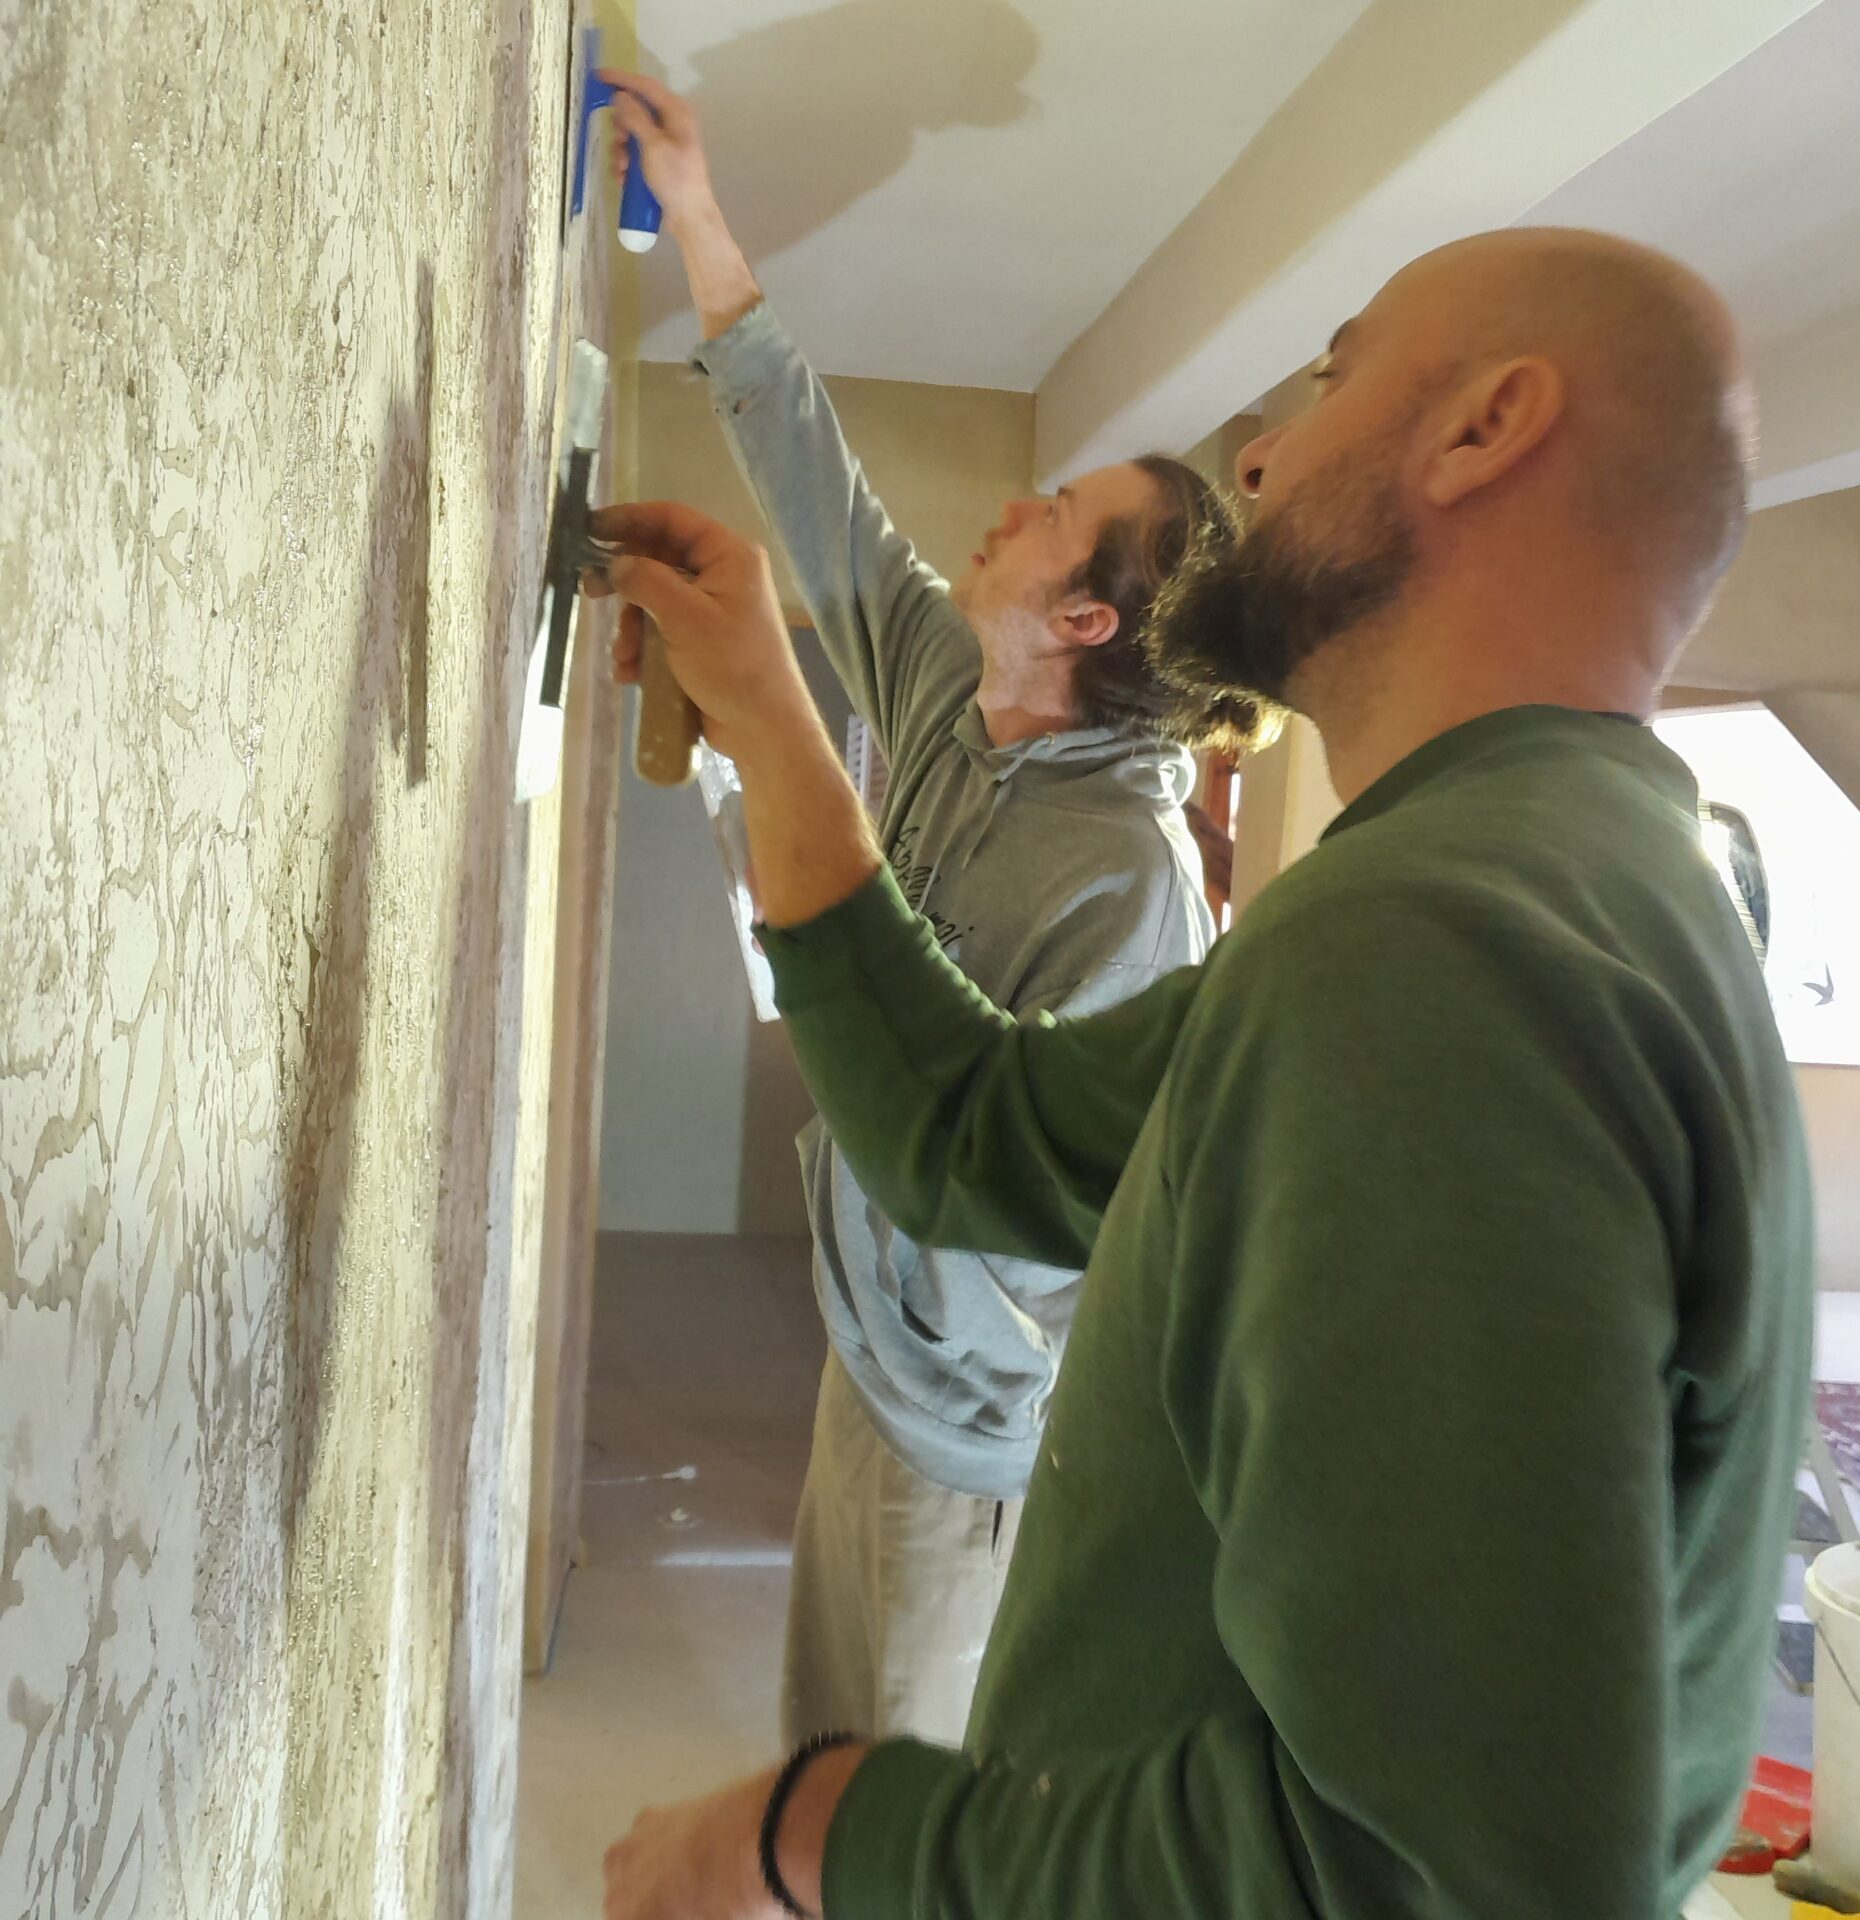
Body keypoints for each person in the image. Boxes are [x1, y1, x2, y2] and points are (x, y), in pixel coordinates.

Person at [594, 226, 1814, 1920]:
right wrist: (774, 714)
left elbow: (1417, 1875)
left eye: (1334, 377)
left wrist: (832, 1825)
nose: (1257, 455)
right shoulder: (1477, 889)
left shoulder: (1455, 953)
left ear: (1486, 429)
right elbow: (972, 1131)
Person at [601, 71, 1265, 1748]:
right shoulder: (956, 695)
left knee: (901, 1812)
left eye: (1057, 517)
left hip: (971, 1437)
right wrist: (695, 204)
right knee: (822, 1743)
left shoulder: (1128, 886)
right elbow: (817, 493)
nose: (1014, 508)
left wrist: (772, 774)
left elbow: (1035, 1214)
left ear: (1093, 625)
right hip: (865, 1360)